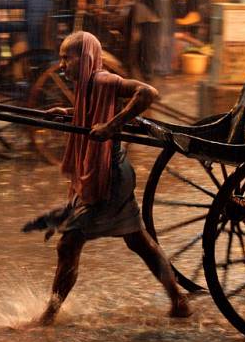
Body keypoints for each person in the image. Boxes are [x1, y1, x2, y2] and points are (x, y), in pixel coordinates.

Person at [23, 31, 192, 325]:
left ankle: (49, 316)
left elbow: (148, 93)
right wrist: (68, 112)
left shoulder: (103, 80)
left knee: (69, 243)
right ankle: (178, 300)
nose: (62, 65)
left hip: (111, 176)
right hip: (108, 172)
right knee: (137, 240)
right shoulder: (87, 87)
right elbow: (93, 112)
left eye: (67, 58)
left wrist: (113, 126)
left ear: (85, 57)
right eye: (61, 58)